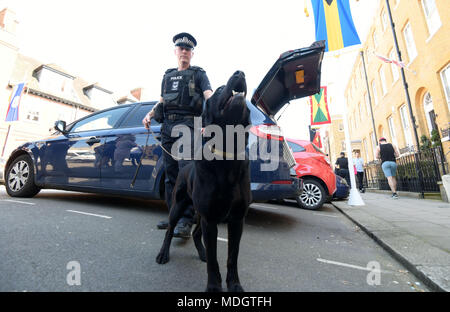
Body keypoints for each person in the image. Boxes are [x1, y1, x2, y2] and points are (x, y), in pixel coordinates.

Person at [142, 32, 213, 237]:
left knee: (186, 175)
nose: (184, 52)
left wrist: (209, 121)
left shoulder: (199, 74)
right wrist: (149, 114)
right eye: (181, 48)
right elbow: (162, 101)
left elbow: (210, 97)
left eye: (188, 49)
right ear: (175, 51)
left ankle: (186, 220)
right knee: (171, 175)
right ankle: (174, 215)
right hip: (168, 128)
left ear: (192, 53)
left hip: (188, 127)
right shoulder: (167, 76)